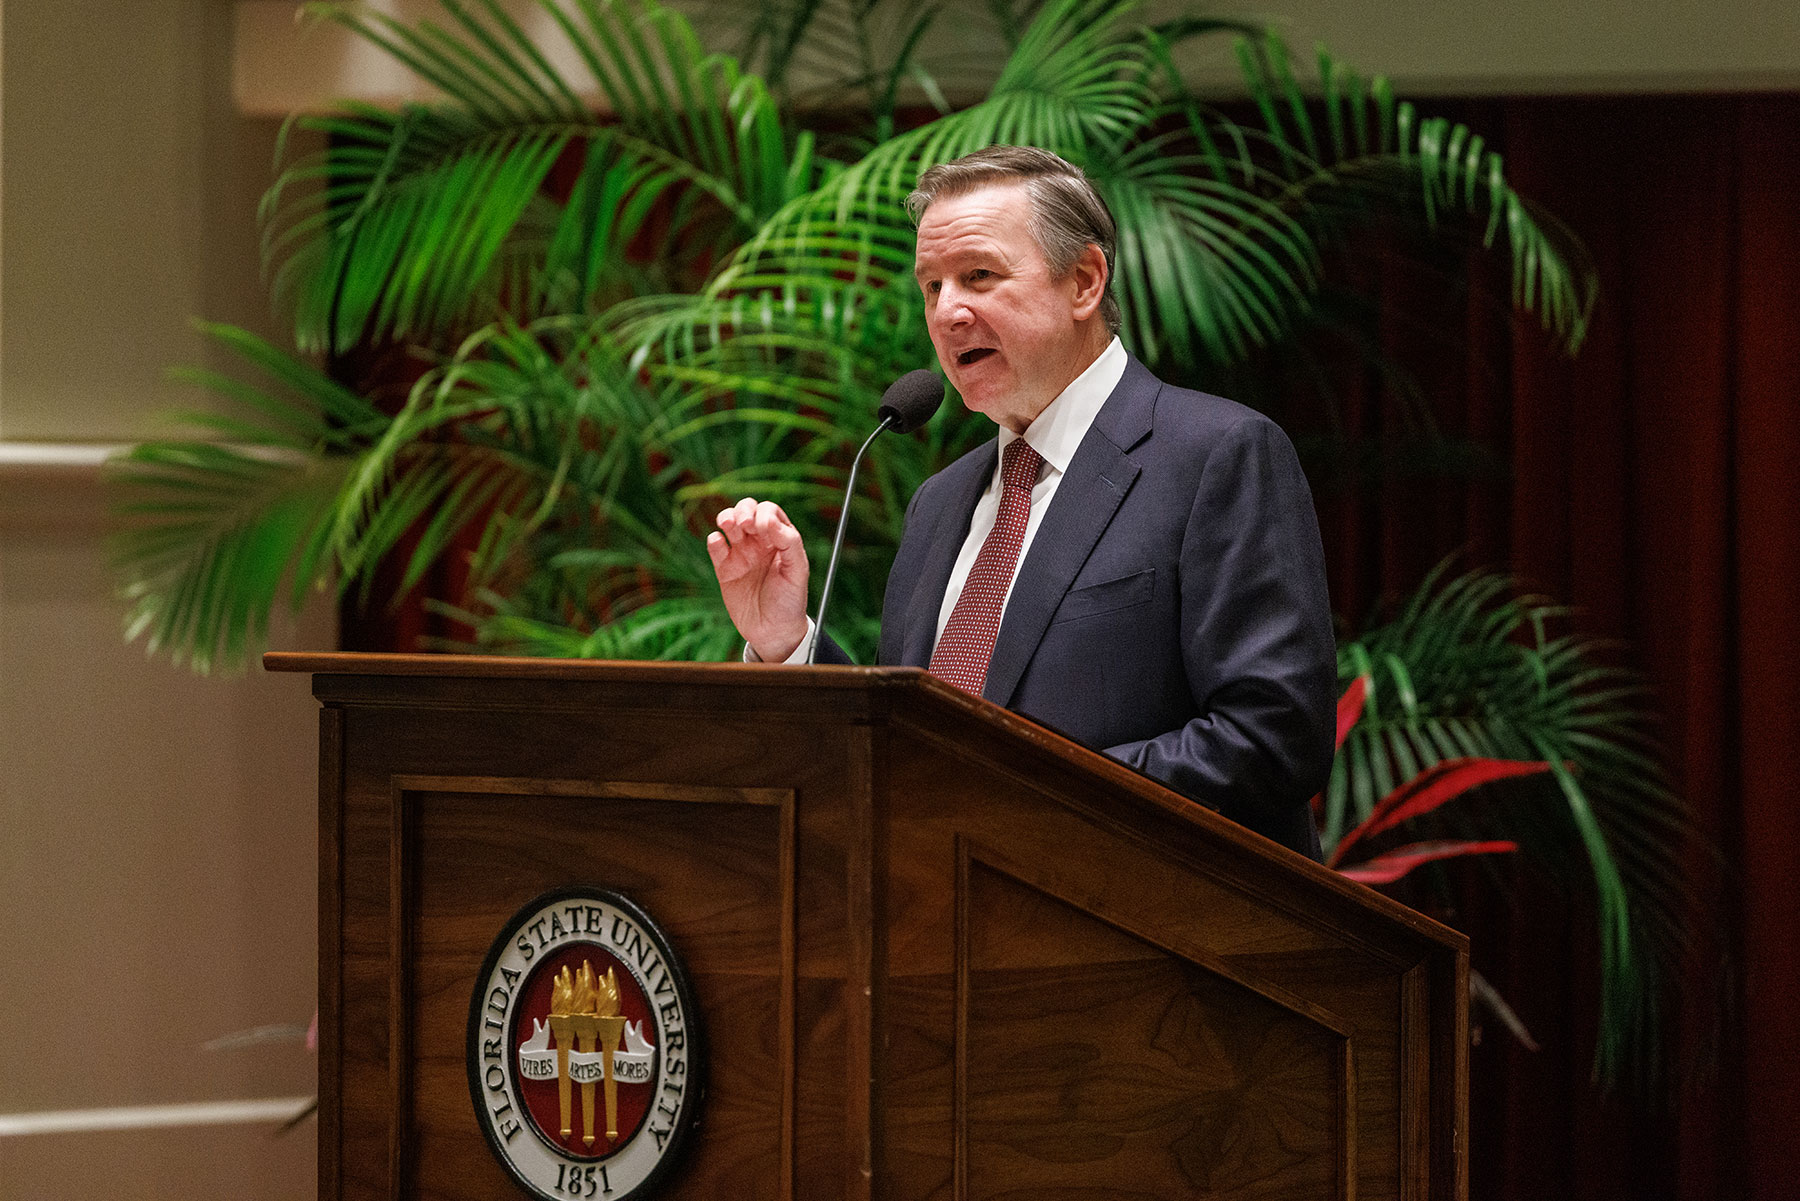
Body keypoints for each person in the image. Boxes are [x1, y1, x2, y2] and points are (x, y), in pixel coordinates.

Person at [705, 146, 1335, 859]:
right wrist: (791, 644)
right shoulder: (939, 505)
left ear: (1085, 281)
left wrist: (1018, 804)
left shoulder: (1216, 456)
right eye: (931, 286)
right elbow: (909, 754)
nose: (946, 312)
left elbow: (1274, 736)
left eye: (979, 276)